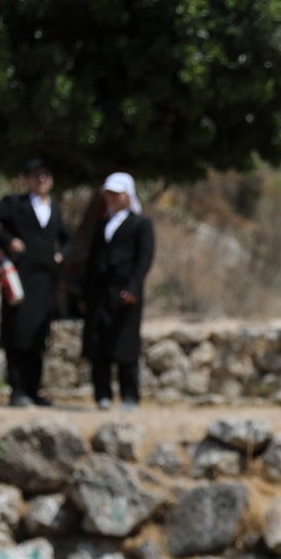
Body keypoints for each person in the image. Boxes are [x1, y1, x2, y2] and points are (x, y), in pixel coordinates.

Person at [0, 159, 72, 407]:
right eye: (36, 175)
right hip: (20, 278)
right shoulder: (14, 204)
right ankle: (17, 389)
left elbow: (67, 238)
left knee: (39, 334)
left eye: (46, 175)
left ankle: (33, 389)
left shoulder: (54, 208)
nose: (42, 180)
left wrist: (62, 255)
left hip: (45, 280)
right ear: (27, 179)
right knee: (16, 332)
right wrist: (8, 241)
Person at [81, 172, 154, 409]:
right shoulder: (102, 224)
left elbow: (144, 259)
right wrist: (84, 293)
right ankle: (102, 394)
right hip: (100, 293)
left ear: (128, 195)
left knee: (125, 343)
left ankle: (130, 395)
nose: (112, 198)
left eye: (116, 193)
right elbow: (92, 260)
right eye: (109, 194)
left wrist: (133, 287)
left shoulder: (141, 224)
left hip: (125, 293)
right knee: (98, 342)